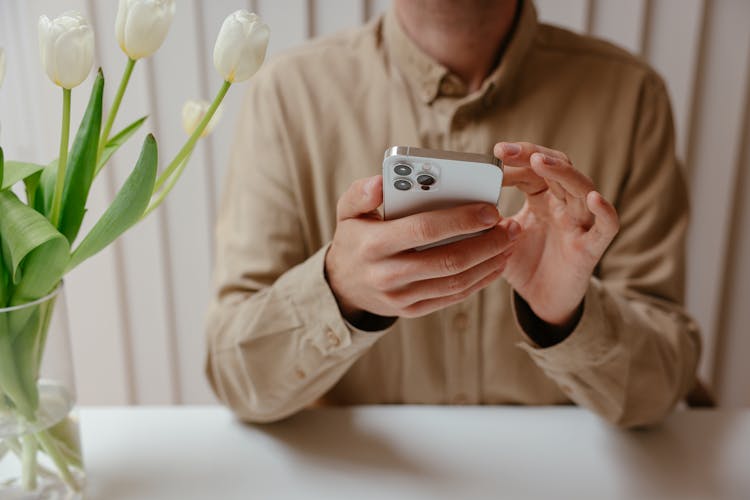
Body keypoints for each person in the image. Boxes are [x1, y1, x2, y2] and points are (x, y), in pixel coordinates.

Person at [205, 0, 701, 428]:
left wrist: (566, 319)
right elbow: (235, 379)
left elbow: (659, 391)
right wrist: (339, 292)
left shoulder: (634, 97)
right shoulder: (289, 96)